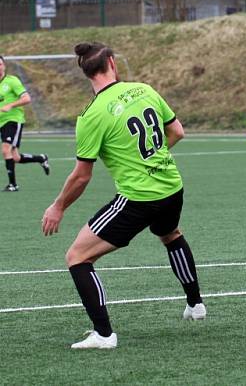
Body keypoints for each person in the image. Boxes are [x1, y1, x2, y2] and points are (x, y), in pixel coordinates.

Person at [41, 42, 206, 350]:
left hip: (139, 198)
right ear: (112, 64)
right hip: (172, 187)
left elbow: (81, 176)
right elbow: (178, 132)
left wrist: (58, 206)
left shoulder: (92, 115)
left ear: (86, 74)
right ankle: (195, 304)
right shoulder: (144, 89)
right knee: (170, 234)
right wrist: (153, 159)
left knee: (77, 257)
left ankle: (104, 334)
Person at [0, 55, 50, 192]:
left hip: (13, 120)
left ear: (4, 66)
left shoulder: (12, 81)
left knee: (5, 150)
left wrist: (10, 105)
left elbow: (27, 98)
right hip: (1, 123)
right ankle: (41, 158)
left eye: (0, 64)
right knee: (15, 157)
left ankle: (13, 185)